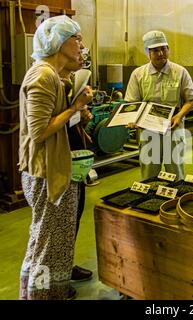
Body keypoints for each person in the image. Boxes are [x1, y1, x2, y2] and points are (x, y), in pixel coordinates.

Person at [18, 15, 93, 300]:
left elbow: (53, 122)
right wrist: (76, 107)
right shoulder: (43, 75)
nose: (81, 45)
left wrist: (76, 114)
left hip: (56, 168)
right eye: (77, 39)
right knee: (47, 246)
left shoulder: (55, 75)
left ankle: (47, 293)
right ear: (59, 42)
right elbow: (39, 131)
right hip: (45, 172)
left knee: (50, 243)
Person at [124, 30, 193, 180]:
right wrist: (133, 119)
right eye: (155, 50)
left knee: (175, 170)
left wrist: (179, 116)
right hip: (148, 128)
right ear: (147, 53)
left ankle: (175, 200)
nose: (160, 53)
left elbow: (190, 99)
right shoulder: (138, 74)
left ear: (168, 49)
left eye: (164, 48)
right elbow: (132, 102)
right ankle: (149, 201)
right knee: (149, 172)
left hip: (173, 126)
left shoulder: (180, 72)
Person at [60, 58, 93, 282]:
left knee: (74, 215)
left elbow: (70, 122)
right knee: (60, 222)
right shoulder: (49, 81)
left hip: (76, 159)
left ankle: (66, 264)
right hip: (59, 162)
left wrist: (82, 118)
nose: (80, 48)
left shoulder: (69, 82)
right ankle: (58, 274)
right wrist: (76, 112)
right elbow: (47, 126)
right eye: (76, 40)